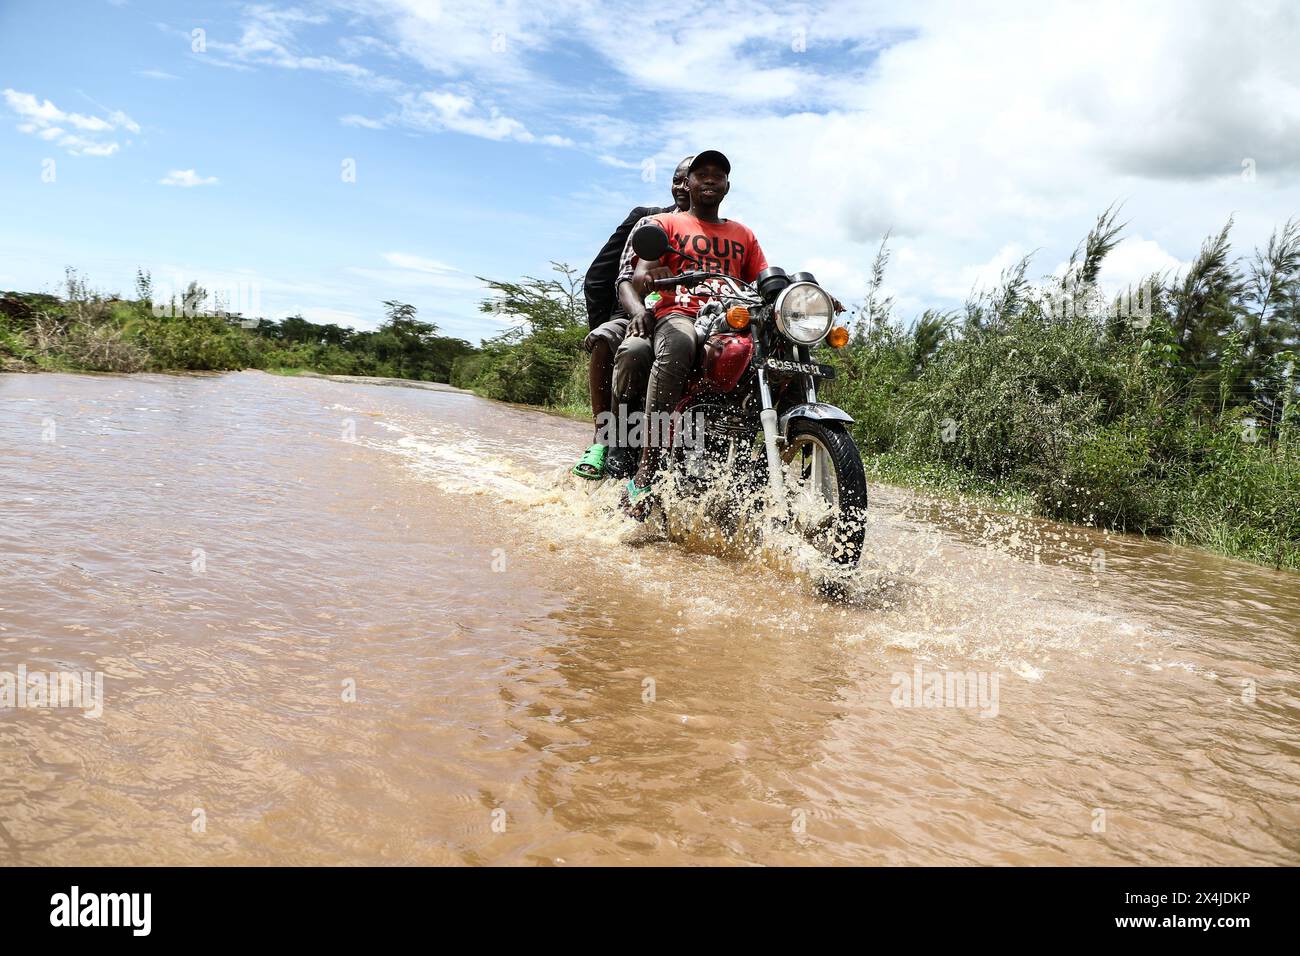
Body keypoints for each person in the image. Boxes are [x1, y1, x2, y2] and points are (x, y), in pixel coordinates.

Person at [611, 150, 768, 511]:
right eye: (703, 174)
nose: (710, 179)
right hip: (679, 311)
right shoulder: (665, 225)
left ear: (728, 186)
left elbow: (764, 279)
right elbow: (638, 274)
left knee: (777, 347)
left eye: (718, 174)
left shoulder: (743, 234)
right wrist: (651, 275)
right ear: (689, 184)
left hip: (729, 317)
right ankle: (647, 469)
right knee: (680, 342)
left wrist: (807, 294)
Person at [570, 155, 694, 480]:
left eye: (689, 180)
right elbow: (612, 276)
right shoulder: (648, 221)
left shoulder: (721, 232)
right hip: (640, 314)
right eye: (678, 179)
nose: (683, 186)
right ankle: (604, 437)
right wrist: (620, 316)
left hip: (691, 319)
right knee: (609, 340)